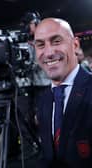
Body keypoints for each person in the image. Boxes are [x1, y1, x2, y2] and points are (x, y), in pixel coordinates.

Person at [34, 18, 92, 167]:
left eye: (56, 41)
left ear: (75, 45)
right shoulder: (44, 99)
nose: (48, 53)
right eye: (40, 45)